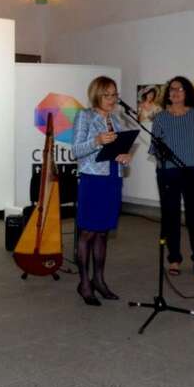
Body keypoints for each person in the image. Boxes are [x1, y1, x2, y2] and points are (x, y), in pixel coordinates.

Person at [71, 76, 132, 306]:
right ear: (96, 94)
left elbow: (120, 149)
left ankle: (99, 280)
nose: (112, 99)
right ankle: (84, 283)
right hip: (93, 180)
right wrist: (96, 140)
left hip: (112, 180)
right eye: (107, 94)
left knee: (103, 233)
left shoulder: (117, 120)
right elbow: (76, 150)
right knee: (87, 233)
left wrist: (126, 157)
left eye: (114, 94)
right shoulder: (84, 116)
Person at [150, 76, 194, 276]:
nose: (175, 92)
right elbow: (155, 148)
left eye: (180, 89)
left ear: (187, 93)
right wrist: (164, 163)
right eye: (172, 89)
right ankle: (174, 259)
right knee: (170, 215)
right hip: (168, 171)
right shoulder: (159, 118)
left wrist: (190, 157)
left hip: (192, 169)